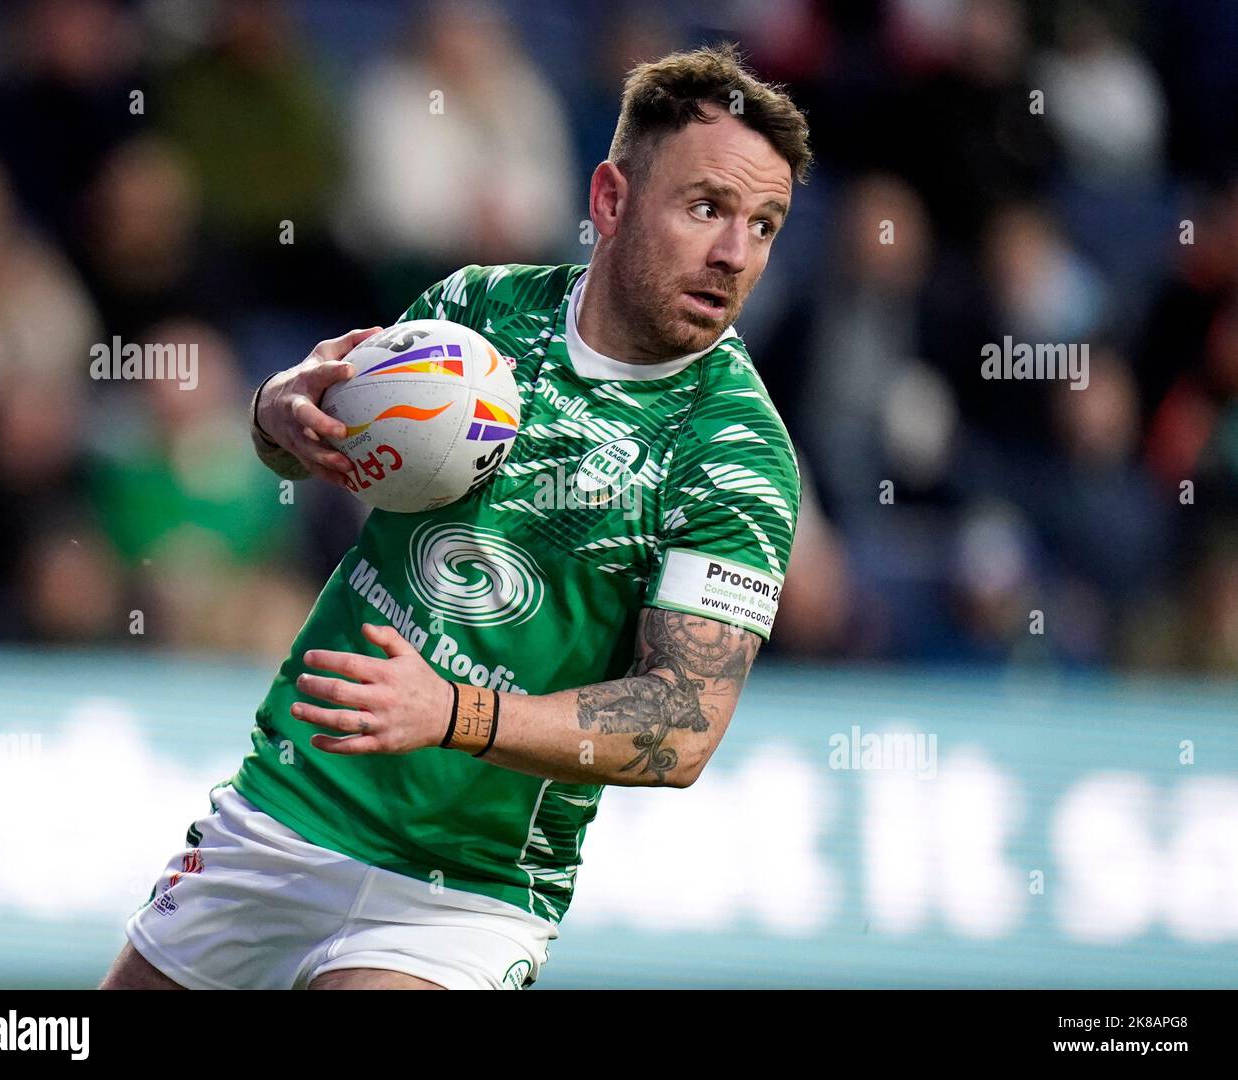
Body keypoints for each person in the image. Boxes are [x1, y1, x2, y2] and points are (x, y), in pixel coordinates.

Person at [101, 42, 810, 991]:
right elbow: (315, 444)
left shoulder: (736, 452)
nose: (735, 254)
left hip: (463, 893)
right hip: (285, 809)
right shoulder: (473, 315)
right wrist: (275, 412)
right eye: (707, 208)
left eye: (764, 226)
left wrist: (454, 713)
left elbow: (682, 723)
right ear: (609, 200)